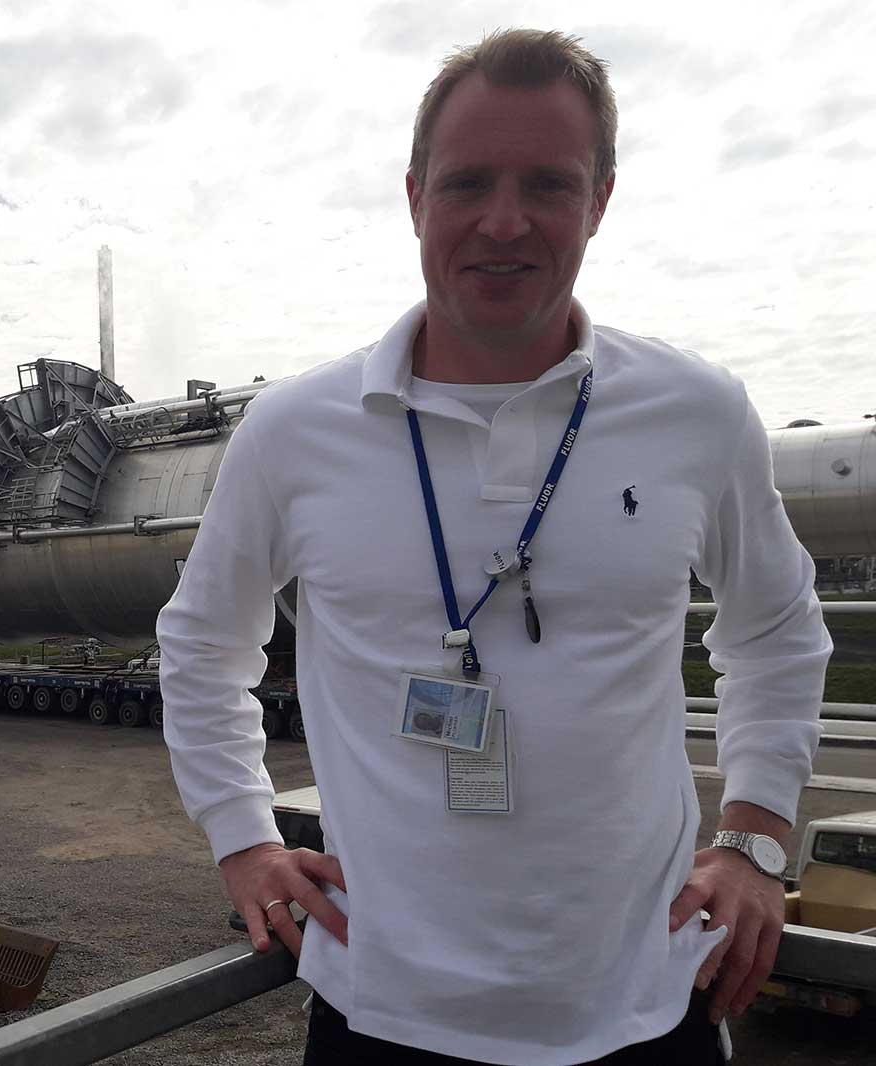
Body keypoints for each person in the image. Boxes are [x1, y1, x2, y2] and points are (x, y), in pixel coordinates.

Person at [156, 28, 833, 1066]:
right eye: (468, 180)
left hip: (645, 1003)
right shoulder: (296, 430)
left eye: (547, 185)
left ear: (599, 199)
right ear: (414, 194)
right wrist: (242, 836)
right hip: (383, 1009)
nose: (503, 220)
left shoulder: (695, 413)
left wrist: (751, 842)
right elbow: (203, 642)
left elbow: (778, 632)